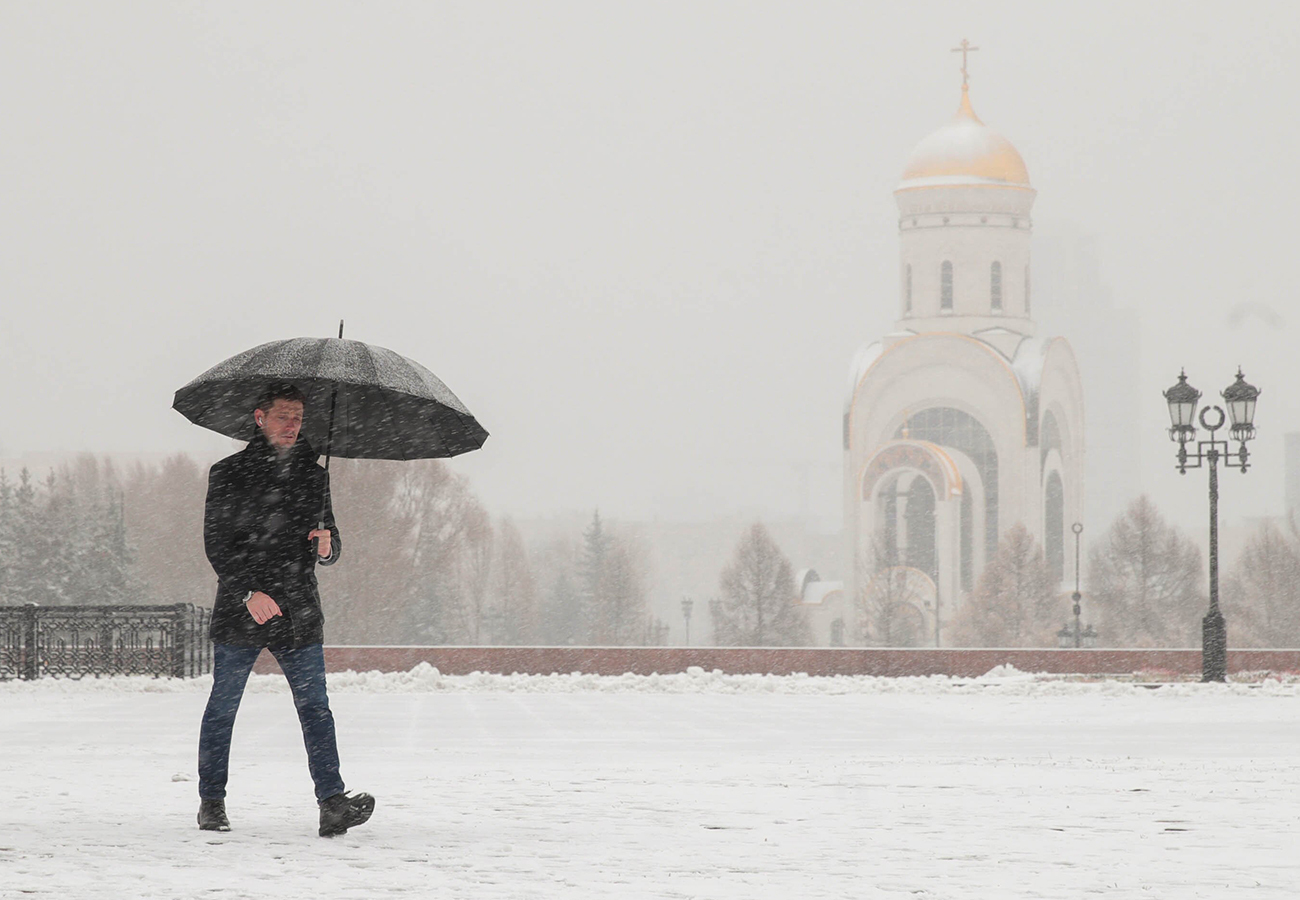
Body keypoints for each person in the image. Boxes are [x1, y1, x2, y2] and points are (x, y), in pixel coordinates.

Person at [196, 383, 374, 837]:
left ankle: (332, 803)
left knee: (316, 707)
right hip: (244, 610)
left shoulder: (315, 476)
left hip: (299, 611)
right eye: (284, 416)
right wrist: (247, 593)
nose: (293, 425)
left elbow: (326, 541)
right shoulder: (228, 473)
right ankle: (211, 801)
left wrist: (330, 545)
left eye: (298, 417)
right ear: (260, 418)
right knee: (224, 707)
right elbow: (217, 544)